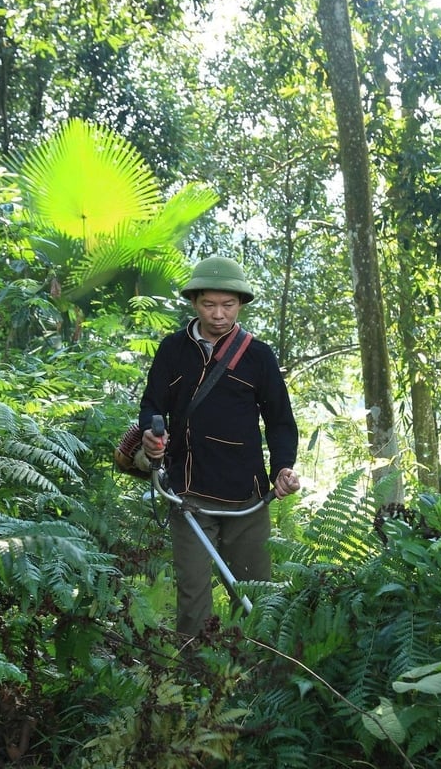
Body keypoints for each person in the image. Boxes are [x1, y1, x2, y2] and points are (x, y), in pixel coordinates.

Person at [139, 255, 300, 636]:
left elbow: (279, 421)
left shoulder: (258, 356)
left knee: (256, 598)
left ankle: (261, 679)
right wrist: (152, 436)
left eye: (227, 305)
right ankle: (197, 680)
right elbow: (152, 405)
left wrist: (282, 469)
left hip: (247, 497)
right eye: (209, 304)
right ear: (194, 303)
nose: (218, 314)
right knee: (193, 598)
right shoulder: (172, 350)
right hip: (188, 496)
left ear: (240, 304)